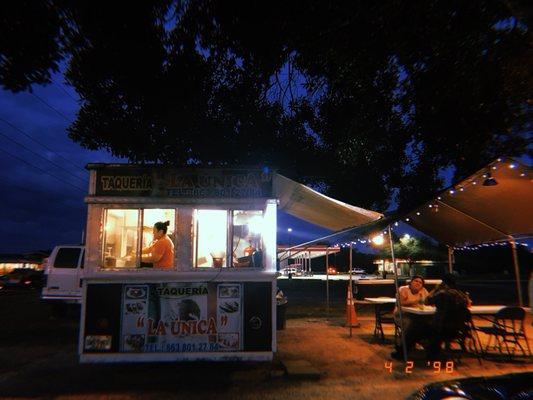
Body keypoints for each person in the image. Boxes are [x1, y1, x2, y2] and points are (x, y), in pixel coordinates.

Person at [425, 273, 471, 359]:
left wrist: (436, 288)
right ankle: (436, 351)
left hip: (440, 328)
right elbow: (468, 303)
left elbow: (427, 301)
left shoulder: (441, 293)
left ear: (444, 283)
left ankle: (432, 352)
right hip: (458, 329)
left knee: (419, 327)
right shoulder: (459, 294)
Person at [391, 275, 431, 360]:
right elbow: (400, 303)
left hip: (418, 315)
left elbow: (429, 301)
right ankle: (403, 347)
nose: (418, 283)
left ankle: (419, 342)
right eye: (416, 281)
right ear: (411, 282)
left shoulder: (423, 291)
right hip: (402, 314)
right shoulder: (403, 289)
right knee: (410, 324)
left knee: (426, 323)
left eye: (420, 282)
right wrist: (416, 301)